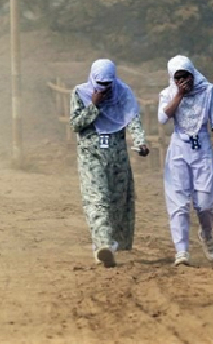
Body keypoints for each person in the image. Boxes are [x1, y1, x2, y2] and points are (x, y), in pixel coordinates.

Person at [71, 59, 149, 268]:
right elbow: (76, 124)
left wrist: (140, 141)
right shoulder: (80, 94)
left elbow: (133, 118)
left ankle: (110, 243)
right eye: (100, 83)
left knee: (116, 201)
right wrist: (94, 105)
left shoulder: (122, 93)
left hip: (117, 157)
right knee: (98, 200)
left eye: (108, 84)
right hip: (91, 156)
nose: (104, 88)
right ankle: (102, 246)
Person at [158, 55, 213, 266]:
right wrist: (179, 95)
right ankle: (182, 251)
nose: (184, 81)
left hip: (203, 149)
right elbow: (163, 119)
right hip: (179, 149)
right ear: (172, 78)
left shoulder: (207, 90)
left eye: (186, 76)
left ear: (192, 73)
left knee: (205, 204)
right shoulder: (168, 94)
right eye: (178, 78)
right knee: (179, 203)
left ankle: (206, 234)